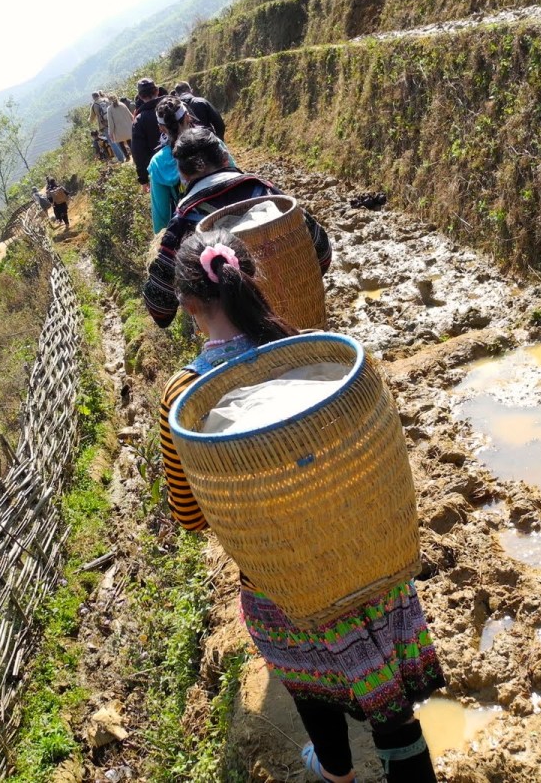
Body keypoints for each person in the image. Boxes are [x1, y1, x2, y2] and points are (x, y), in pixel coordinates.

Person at [159, 229, 445, 783]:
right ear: (248, 278)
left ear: (189, 304)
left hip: (283, 578)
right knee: (391, 707)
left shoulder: (185, 398)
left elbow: (191, 515)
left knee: (310, 684)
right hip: (366, 554)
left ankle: (335, 772)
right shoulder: (313, 351)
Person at [142, 127, 331, 328]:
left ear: (182, 175)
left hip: (239, 345)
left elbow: (159, 308)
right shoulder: (266, 192)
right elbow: (322, 252)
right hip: (303, 324)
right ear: (225, 157)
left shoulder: (184, 220)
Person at [148, 96, 235, 234]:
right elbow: (233, 173)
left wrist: (163, 242)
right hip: (232, 214)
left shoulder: (158, 163)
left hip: (194, 230)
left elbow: (161, 214)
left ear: (161, 128)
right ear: (188, 116)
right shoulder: (212, 142)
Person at [130, 78, 166, 193]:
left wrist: (143, 179)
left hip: (159, 170)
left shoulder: (139, 120)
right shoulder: (176, 105)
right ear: (157, 91)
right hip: (188, 160)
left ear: (140, 97)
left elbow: (138, 152)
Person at [91, 91, 123, 162]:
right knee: (118, 138)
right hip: (113, 121)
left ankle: (121, 159)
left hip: (104, 125)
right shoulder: (107, 100)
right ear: (99, 95)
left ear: (93, 98)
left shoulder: (94, 105)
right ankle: (126, 155)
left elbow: (91, 119)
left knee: (112, 142)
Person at [107, 95, 134, 161]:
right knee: (129, 141)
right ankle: (134, 154)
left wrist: (110, 133)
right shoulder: (122, 105)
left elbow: (111, 123)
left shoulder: (109, 109)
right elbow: (131, 116)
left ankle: (127, 157)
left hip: (118, 130)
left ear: (109, 100)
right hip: (127, 128)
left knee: (120, 143)